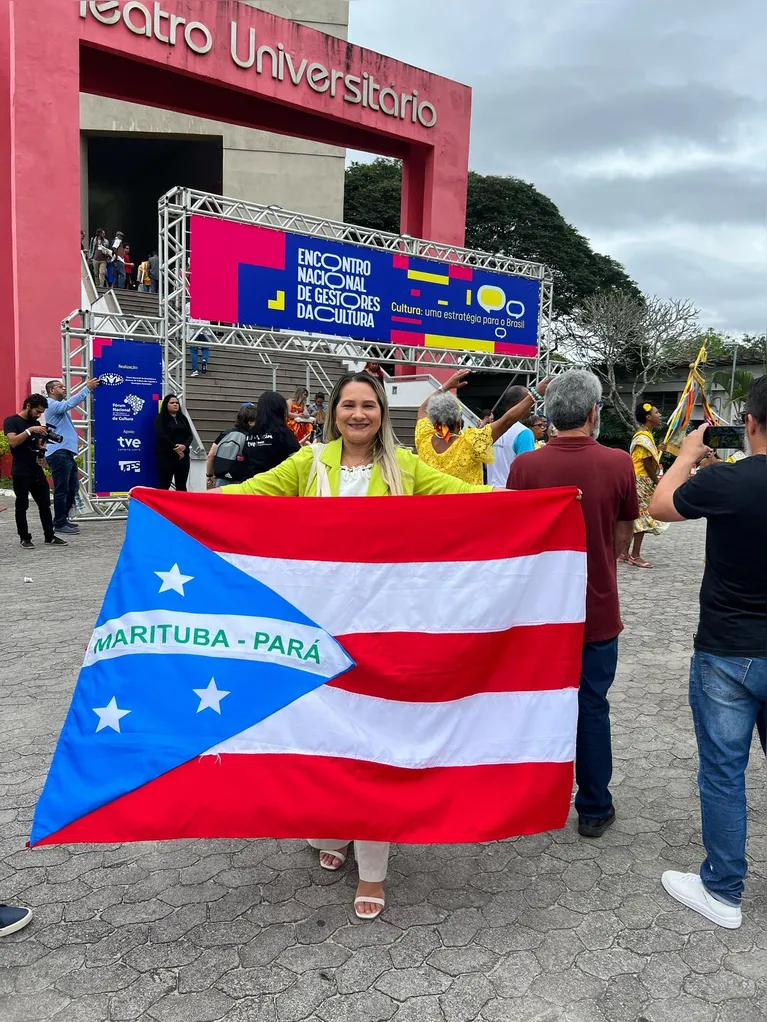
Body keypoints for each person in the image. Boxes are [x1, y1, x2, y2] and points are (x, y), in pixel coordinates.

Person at [215, 372, 492, 919]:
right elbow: (243, 497)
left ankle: (373, 869)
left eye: (369, 405)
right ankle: (335, 826)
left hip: (385, 628)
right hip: (319, 626)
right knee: (329, 733)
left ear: (383, 412)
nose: (359, 414)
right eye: (349, 405)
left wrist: (541, 501)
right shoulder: (309, 464)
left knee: (375, 738)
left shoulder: (405, 467)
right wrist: (166, 501)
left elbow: (470, 499)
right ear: (334, 412)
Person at [648, 377, 766, 930]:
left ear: (750, 421)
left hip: (727, 648)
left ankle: (722, 888)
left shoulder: (726, 480)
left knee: (724, 773)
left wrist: (688, 454)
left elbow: (661, 505)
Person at [509, 370, 639, 838]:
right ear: (592, 414)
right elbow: (623, 535)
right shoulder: (619, 463)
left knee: (533, 703)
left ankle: (527, 800)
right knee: (592, 706)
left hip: (539, 613)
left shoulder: (526, 469)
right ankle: (593, 807)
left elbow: (514, 537)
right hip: (596, 607)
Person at [415, 369, 548, 485]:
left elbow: (422, 409)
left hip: (429, 509)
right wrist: (534, 395)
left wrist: (445, 386)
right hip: (467, 510)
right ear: (458, 422)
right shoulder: (471, 442)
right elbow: (507, 421)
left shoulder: (424, 437)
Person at [3, 395, 67, 548]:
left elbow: (37, 444)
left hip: (36, 468)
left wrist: (42, 449)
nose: (39, 415)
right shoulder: (11, 421)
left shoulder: (36, 423)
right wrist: (30, 430)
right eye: (37, 411)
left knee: (45, 504)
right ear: (28, 405)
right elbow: (13, 441)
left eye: (41, 413)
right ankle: (24, 538)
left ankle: (49, 535)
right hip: (21, 469)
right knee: (22, 505)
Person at [44, 377, 102, 535]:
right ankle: (59, 522)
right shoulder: (51, 404)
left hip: (66, 454)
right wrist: (87, 388)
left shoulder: (58, 407)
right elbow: (69, 404)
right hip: (58, 453)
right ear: (51, 391)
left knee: (72, 488)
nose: (64, 389)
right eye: (60, 387)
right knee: (62, 489)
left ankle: (63, 519)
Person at [628, 401, 669, 567]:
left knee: (635, 517)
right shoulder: (644, 437)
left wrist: (658, 450)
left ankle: (624, 553)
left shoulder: (645, 435)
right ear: (648, 417)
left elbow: (645, 459)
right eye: (657, 412)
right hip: (642, 480)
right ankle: (635, 555)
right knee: (643, 518)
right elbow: (646, 466)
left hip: (638, 478)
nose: (659, 415)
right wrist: (658, 482)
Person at [486, 385, 539, 486]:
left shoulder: (490, 429)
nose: (531, 406)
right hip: (511, 494)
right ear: (519, 404)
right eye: (528, 401)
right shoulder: (524, 433)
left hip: (490, 492)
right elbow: (527, 471)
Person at [243, 391, 301, 477]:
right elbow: (298, 458)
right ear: (279, 411)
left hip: (252, 483)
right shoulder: (283, 433)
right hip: (276, 483)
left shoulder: (250, 434)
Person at [206, 403, 259, 488]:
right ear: (250, 422)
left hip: (221, 480)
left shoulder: (225, 434)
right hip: (242, 482)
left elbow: (210, 456)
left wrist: (209, 475)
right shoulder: (250, 438)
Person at [154, 395, 193, 491]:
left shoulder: (183, 418)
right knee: (164, 484)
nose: (175, 405)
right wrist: (176, 448)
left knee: (182, 485)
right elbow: (161, 435)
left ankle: (182, 505)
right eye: (172, 403)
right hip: (166, 456)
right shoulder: (160, 418)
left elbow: (190, 435)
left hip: (183, 456)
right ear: (166, 405)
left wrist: (184, 446)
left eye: (176, 403)